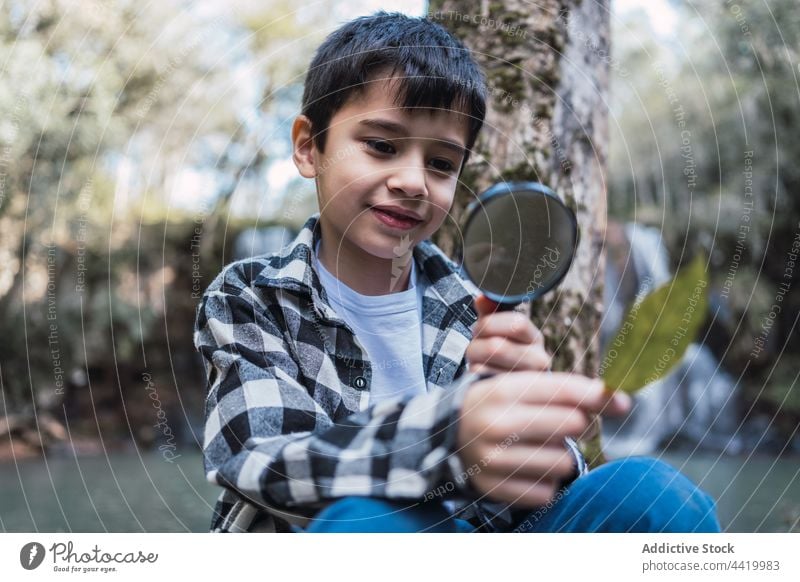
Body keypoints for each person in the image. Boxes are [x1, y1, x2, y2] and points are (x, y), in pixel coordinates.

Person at [194, 11, 720, 533]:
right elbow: (258, 459)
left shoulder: (473, 307)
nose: (413, 182)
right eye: (381, 146)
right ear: (309, 146)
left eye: (442, 164)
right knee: (366, 524)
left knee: (652, 494)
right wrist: (448, 435)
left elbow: (525, 505)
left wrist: (528, 426)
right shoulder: (250, 296)